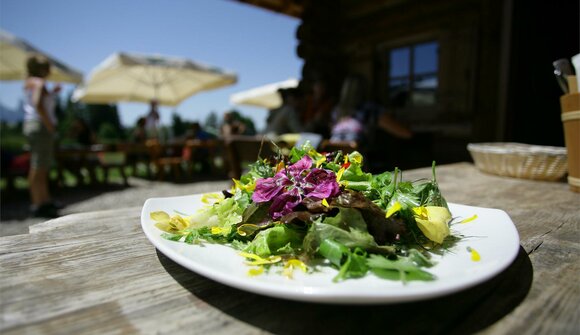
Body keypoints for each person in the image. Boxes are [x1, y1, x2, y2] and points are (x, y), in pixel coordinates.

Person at [22, 54, 60, 218]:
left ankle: (44, 200)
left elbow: (37, 101)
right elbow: (38, 104)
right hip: (40, 126)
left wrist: (51, 92)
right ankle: (39, 203)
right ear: (43, 69)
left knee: (40, 165)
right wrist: (49, 124)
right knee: (39, 166)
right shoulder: (40, 82)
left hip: (31, 124)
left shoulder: (30, 82)